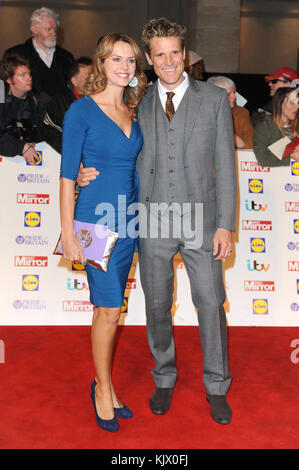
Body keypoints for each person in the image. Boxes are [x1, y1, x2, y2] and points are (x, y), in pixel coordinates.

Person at [78, 18, 236, 425]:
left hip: (201, 222)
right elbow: (108, 143)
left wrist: (226, 224)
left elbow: (227, 165)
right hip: (149, 221)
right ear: (148, 59)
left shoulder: (215, 99)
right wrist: (83, 171)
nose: (168, 60)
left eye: (175, 52)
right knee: (158, 304)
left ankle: (216, 383)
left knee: (210, 303)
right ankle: (163, 375)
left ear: (185, 54)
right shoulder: (137, 101)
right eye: (159, 53)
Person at [59, 33, 146, 432]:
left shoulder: (134, 110)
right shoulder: (82, 111)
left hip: (129, 224)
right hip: (94, 222)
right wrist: (69, 232)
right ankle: (102, 389)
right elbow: (65, 178)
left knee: (112, 309)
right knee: (108, 309)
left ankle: (104, 385)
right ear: (102, 64)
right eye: (116, 59)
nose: (124, 67)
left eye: (130, 60)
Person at [3, 7, 74, 97]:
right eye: (48, 29)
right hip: (25, 110)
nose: (54, 33)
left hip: (62, 110)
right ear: (34, 29)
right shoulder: (15, 54)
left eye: (55, 29)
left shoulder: (66, 57)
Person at [0, 54, 49, 163]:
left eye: (29, 74)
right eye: (23, 75)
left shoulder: (39, 98)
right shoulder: (1, 96)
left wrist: (33, 141)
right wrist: (21, 147)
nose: (29, 78)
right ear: (9, 79)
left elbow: (49, 131)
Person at [43, 57, 92, 153]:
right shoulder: (59, 102)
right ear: (74, 81)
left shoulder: (104, 101)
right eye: (88, 78)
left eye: (95, 77)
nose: (93, 81)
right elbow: (49, 130)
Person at [254, 87, 299, 167]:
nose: (297, 106)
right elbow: (263, 159)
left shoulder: (297, 125)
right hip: (274, 177)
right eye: (292, 103)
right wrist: (291, 156)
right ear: (280, 103)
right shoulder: (264, 126)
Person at [207, 75, 254, 149]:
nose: (234, 97)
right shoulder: (202, 115)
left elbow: (250, 145)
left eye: (234, 93)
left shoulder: (242, 113)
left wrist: (235, 140)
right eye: (228, 94)